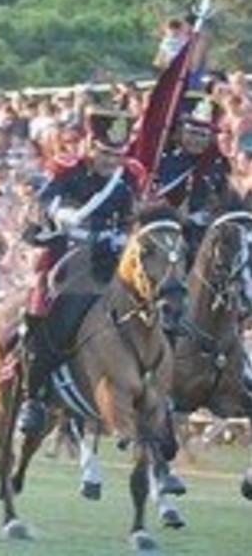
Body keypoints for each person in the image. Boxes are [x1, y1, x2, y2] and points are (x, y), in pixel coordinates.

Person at [16, 107, 145, 435]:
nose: (110, 161)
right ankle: (35, 396)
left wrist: (126, 233)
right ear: (90, 144)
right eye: (104, 153)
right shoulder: (67, 169)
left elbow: (136, 213)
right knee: (54, 317)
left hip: (114, 260)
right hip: (71, 259)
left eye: (117, 154)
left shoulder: (130, 175)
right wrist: (63, 213)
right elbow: (43, 203)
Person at [154, 95, 232, 259]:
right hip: (163, 234)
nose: (196, 140)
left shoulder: (219, 166)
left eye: (203, 135)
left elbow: (224, 202)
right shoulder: (162, 162)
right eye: (192, 133)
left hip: (203, 238)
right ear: (180, 132)